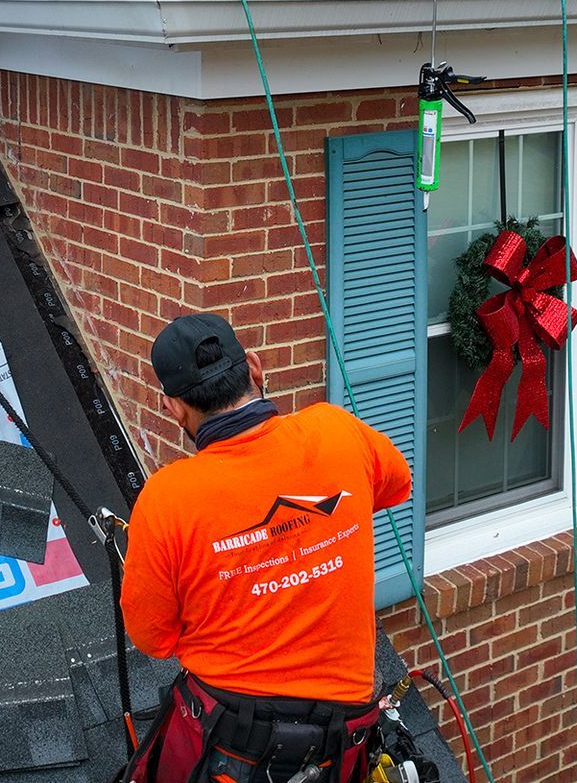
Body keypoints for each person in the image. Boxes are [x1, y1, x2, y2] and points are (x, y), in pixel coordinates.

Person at [119, 312, 412, 783]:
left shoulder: (167, 499)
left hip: (229, 740)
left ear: (174, 407)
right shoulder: (335, 429)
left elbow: (153, 638)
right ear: (254, 368)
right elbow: (397, 484)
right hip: (342, 740)